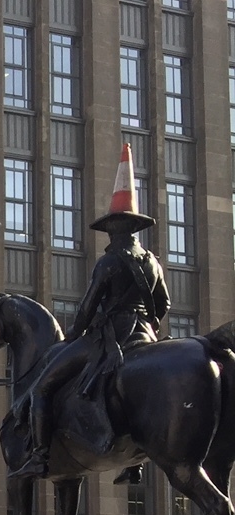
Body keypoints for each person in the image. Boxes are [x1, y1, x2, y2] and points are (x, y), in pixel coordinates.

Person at [10, 144, 169, 480]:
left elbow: (87, 307)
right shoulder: (152, 261)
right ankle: (136, 461)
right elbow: (164, 303)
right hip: (145, 335)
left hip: (110, 337)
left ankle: (39, 456)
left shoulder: (109, 262)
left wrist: (71, 337)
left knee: (42, 387)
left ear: (115, 227)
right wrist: (148, 322)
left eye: (110, 227)